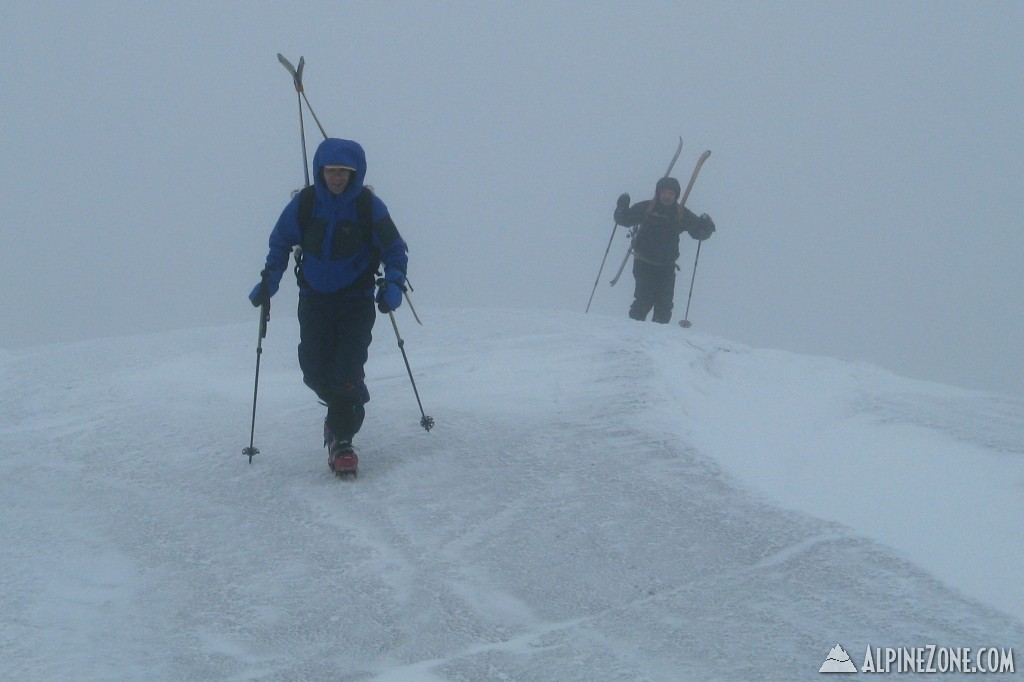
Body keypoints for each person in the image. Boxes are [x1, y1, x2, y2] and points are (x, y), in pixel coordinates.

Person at [248, 137, 408, 476]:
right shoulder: (305, 204)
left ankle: (342, 441)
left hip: (356, 301)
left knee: (347, 374)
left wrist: (394, 284)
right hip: (315, 301)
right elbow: (280, 243)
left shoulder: (368, 206)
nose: (337, 178)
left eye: (343, 172)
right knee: (314, 371)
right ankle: (347, 403)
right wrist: (269, 282)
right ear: (321, 171)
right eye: (331, 171)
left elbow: (395, 250)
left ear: (355, 174)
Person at [613, 176, 715, 323]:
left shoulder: (680, 213)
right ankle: (632, 334)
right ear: (659, 193)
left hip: (667, 267)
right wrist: (622, 206)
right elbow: (623, 219)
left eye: (671, 194)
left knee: (664, 305)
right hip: (644, 263)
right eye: (664, 193)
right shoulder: (647, 208)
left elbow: (699, 233)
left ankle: (658, 340)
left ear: (676, 196)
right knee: (643, 300)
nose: (667, 196)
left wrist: (706, 225)